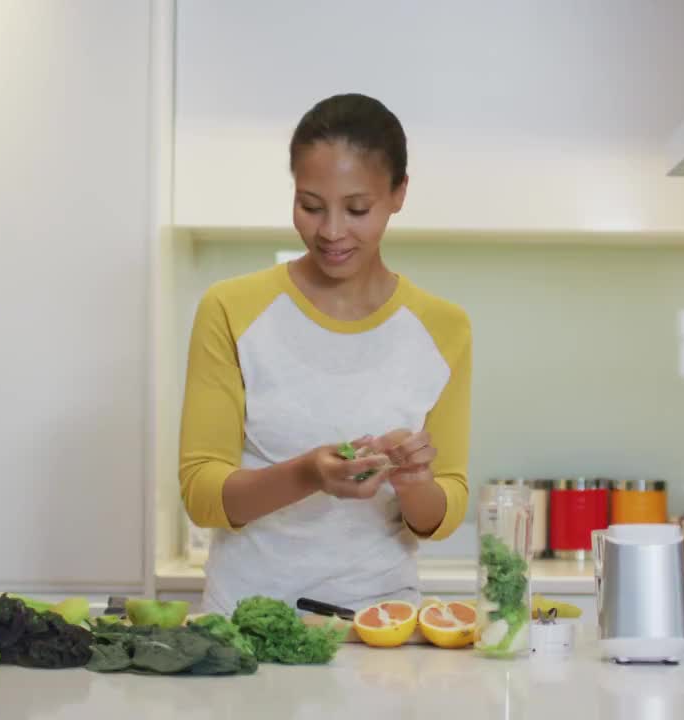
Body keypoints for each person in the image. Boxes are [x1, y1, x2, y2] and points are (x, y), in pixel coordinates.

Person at [178, 93, 472, 615]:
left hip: (379, 629)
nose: (331, 231)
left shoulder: (444, 328)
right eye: (310, 206)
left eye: (357, 209)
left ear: (399, 193)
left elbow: (440, 515)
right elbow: (203, 494)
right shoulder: (231, 309)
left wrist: (414, 482)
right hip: (248, 626)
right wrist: (308, 475)